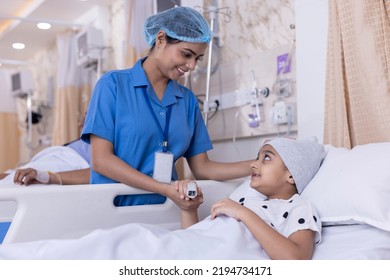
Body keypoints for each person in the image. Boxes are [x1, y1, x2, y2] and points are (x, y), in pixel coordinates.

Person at [0, 137, 324, 260]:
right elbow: (192, 240)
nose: (253, 163)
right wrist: (188, 210)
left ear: (292, 174)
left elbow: (295, 261)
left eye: (266, 158)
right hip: (184, 247)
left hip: (200, 257)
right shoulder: (244, 199)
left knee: (117, 250)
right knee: (113, 242)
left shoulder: (298, 208)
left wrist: (243, 216)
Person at [81, 6, 253, 208]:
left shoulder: (187, 101)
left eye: (197, 58)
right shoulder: (113, 85)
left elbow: (203, 168)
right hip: (113, 209)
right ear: (161, 40)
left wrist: (257, 164)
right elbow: (101, 160)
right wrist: (163, 188)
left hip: (164, 210)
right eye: (186, 54)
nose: (191, 66)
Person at [0, 114, 90, 186]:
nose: (80, 122)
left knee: (15, 184)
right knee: (11, 178)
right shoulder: (82, 142)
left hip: (73, 163)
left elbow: (99, 173)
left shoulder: (99, 146)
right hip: (59, 156)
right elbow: (16, 175)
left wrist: (48, 177)